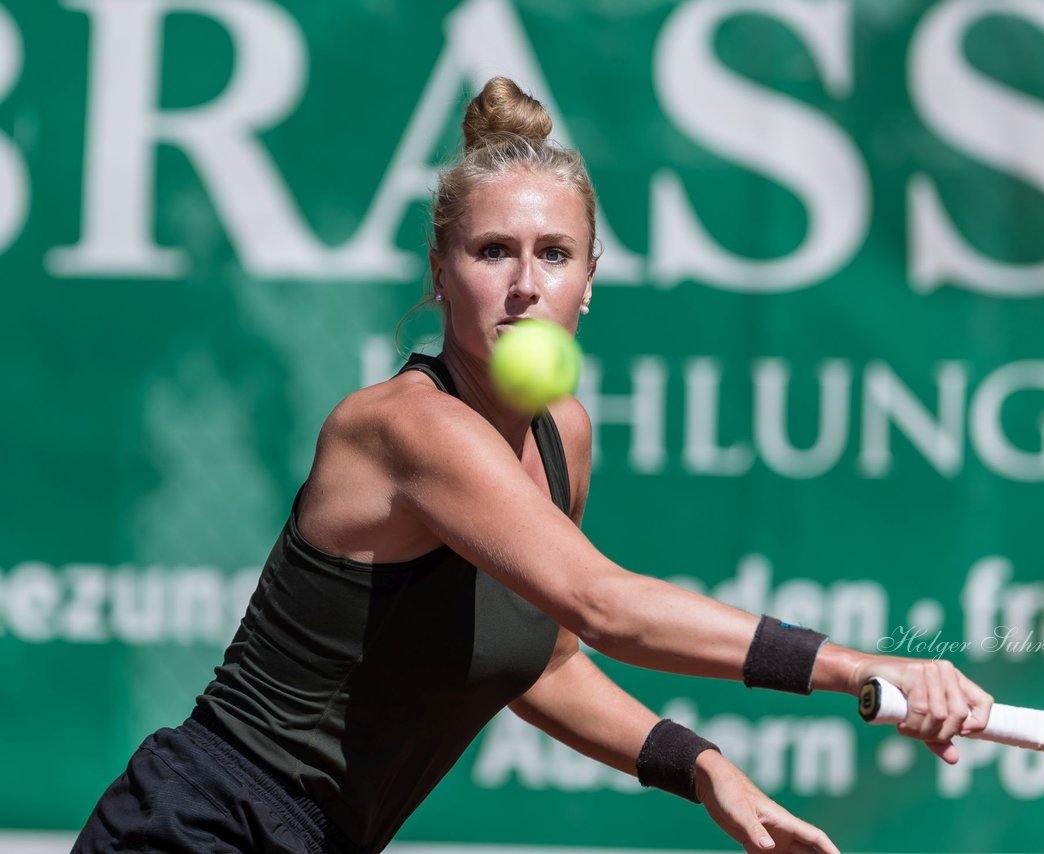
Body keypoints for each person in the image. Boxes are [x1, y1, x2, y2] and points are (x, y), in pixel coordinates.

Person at [74, 77, 992, 854]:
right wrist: (861, 666)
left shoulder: (564, 437)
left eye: (554, 255)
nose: (525, 283)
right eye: (491, 252)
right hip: (200, 824)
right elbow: (604, 605)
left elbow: (545, 663)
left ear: (589, 281)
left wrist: (701, 765)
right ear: (440, 273)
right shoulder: (405, 429)